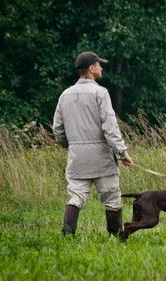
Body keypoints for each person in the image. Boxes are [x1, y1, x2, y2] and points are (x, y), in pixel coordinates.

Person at [53, 51, 132, 237]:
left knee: (76, 197)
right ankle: (115, 237)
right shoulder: (100, 92)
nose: (101, 67)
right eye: (99, 64)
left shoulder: (65, 95)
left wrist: (70, 144)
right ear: (91, 68)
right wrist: (122, 152)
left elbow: (57, 128)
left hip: (77, 157)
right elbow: (110, 127)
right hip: (101, 158)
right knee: (112, 197)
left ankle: (67, 235)